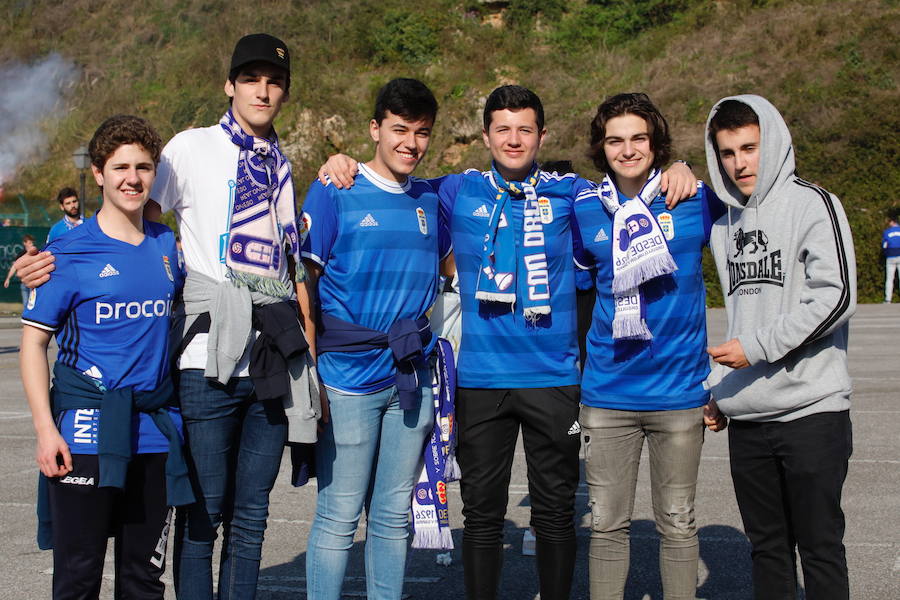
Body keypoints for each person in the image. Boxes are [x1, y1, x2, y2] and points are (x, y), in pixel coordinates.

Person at [318, 84, 698, 600]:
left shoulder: (575, 194)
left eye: (525, 129)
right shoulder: (454, 190)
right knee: (482, 518)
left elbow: (630, 192)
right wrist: (342, 163)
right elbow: (389, 179)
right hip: (482, 381)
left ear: (542, 135)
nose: (513, 139)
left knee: (556, 515)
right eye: (503, 129)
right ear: (486, 136)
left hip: (554, 378)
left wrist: (678, 168)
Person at [13, 33, 319, 600]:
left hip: (265, 360)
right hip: (197, 367)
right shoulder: (189, 148)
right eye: (250, 78)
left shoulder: (281, 163)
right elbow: (137, 213)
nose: (262, 88)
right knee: (188, 525)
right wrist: (54, 258)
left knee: (246, 523)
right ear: (229, 85)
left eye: (274, 80)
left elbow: (288, 265)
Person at [20, 115, 190, 599]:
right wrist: (45, 429)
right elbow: (33, 344)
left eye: (142, 166)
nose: (132, 178)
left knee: (144, 581)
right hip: (83, 434)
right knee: (78, 578)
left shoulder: (167, 246)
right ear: (98, 173)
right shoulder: (65, 253)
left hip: (155, 437)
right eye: (119, 167)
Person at [571, 92, 727, 600]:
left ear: (656, 143)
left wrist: (685, 166)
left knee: (678, 525)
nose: (628, 149)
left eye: (639, 137)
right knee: (607, 526)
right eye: (615, 140)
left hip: (679, 394)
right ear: (601, 147)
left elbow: (752, 189)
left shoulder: (695, 197)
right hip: (608, 393)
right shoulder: (583, 209)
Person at [301, 77, 450, 600]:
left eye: (422, 132)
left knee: (392, 514)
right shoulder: (334, 189)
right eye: (399, 129)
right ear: (375, 128)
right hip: (345, 378)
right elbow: (305, 282)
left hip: (411, 376)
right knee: (339, 513)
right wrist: (311, 372)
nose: (410, 142)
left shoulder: (433, 198)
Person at [704, 95, 856, 600]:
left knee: (819, 548)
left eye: (749, 147)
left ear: (773, 142)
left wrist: (758, 347)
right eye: (727, 152)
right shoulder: (724, 227)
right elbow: (742, 318)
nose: (739, 162)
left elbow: (837, 296)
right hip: (748, 421)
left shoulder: (813, 203)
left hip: (812, 412)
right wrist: (717, 391)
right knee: (767, 550)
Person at [4, 233, 37, 305]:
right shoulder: (21, 254)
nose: (31, 244)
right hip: (24, 282)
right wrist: (8, 278)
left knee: (34, 303)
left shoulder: (37, 252)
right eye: (29, 243)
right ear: (24, 243)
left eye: (32, 243)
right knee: (26, 303)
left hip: (34, 282)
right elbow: (14, 267)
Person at [882, 214, 900, 303]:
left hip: (890, 256)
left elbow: (884, 246)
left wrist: (886, 254)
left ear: (892, 222)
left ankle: (888, 299)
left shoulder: (887, 232)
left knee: (889, 279)